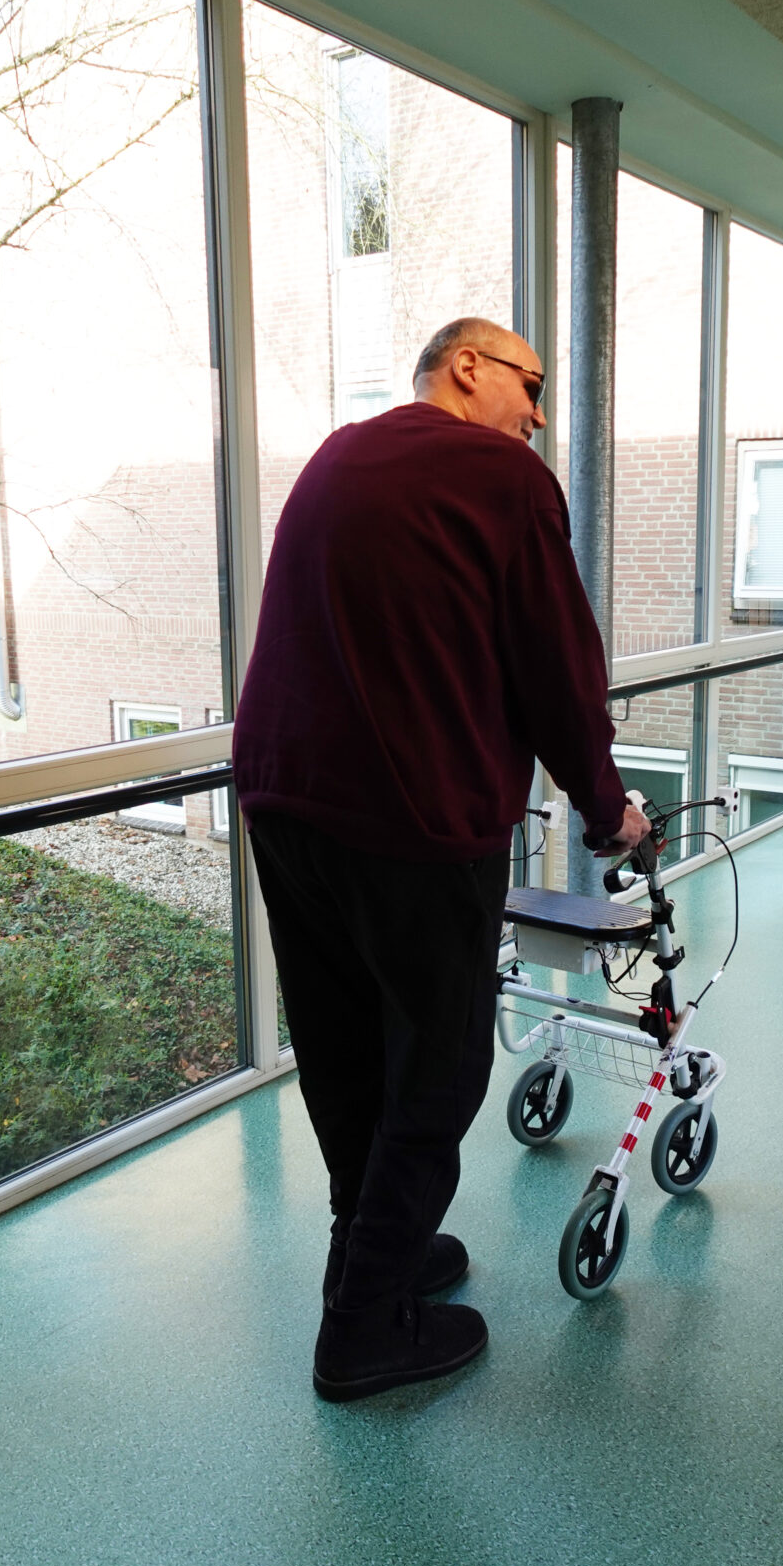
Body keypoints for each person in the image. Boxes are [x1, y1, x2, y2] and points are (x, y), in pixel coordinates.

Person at [232, 316, 649, 1401]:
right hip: (412, 819)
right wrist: (609, 811)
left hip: (284, 802)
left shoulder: (336, 457)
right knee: (443, 1063)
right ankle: (363, 1332)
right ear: (467, 365)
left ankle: (381, 1250)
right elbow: (558, 669)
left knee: (343, 1050)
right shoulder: (499, 477)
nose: (540, 414)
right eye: (532, 383)